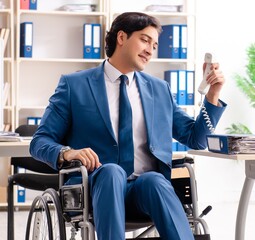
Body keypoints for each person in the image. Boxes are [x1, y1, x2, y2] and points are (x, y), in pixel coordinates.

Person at [30, 12, 226, 240]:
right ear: (121, 37)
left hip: (142, 192)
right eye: (144, 40)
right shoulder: (75, 85)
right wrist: (68, 152)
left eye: (154, 44)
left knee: (155, 180)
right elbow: (39, 141)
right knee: (111, 172)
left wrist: (213, 94)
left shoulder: (159, 89)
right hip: (94, 188)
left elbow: (196, 138)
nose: (151, 50)